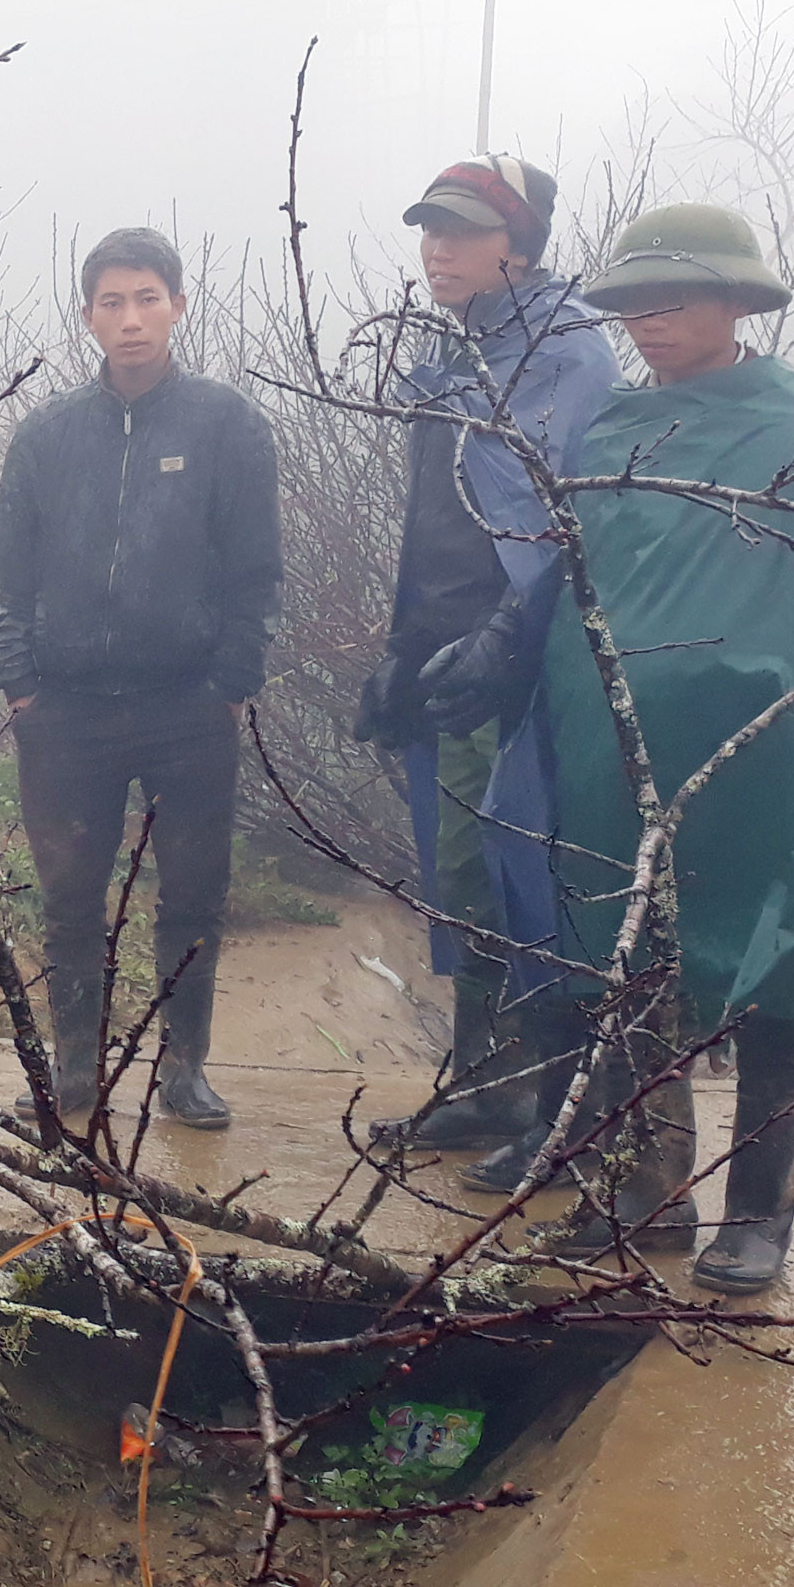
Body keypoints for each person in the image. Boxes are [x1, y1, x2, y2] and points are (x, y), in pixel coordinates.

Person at [467, 205, 794, 1293]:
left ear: (735, 303)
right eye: (631, 304)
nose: (649, 322)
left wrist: (778, 696)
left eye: (674, 299)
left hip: (770, 752)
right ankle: (646, 1191)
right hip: (623, 751)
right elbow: (586, 587)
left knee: (775, 959)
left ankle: (760, 1214)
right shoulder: (617, 429)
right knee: (626, 962)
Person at [354, 157, 618, 1167]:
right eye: (429, 229)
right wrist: (401, 649)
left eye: (461, 231)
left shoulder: (565, 358)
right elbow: (442, 532)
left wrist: (505, 643)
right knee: (456, 872)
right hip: (447, 657)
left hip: (523, 668)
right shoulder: (459, 361)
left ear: (518, 244)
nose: (437, 249)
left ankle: (549, 1103)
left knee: (522, 875)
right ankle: (486, 1080)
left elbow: (561, 528)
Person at [0, 227, 283, 1131]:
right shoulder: (46, 435)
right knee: (71, 896)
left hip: (186, 704)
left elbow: (255, 569)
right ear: (88, 317)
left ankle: (183, 1067)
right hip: (68, 709)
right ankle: (74, 1066)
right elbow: (15, 574)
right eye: (112, 303)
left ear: (178, 305)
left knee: (191, 892)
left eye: (147, 298)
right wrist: (22, 680)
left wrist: (231, 677)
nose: (130, 319)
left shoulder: (227, 425)